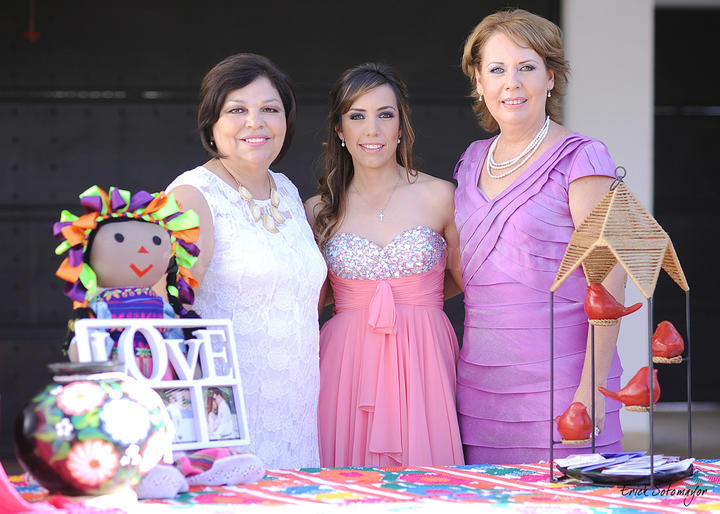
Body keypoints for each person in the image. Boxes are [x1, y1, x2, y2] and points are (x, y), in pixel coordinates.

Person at [453, 8, 626, 464]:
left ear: (550, 77)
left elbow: (610, 282)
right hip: (481, 394)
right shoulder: (470, 161)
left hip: (565, 391)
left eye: (526, 67)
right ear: (479, 82)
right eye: (496, 69)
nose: (511, 82)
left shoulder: (584, 158)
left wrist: (591, 390)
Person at [167, 53, 327, 469]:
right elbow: (166, 308)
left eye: (269, 109)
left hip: (295, 411)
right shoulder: (192, 195)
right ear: (212, 124)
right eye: (237, 109)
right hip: (227, 417)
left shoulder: (288, 192)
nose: (255, 122)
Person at [306, 63, 464, 467]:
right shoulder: (318, 211)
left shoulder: (442, 196)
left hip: (424, 355)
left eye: (385, 114)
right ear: (340, 131)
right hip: (345, 365)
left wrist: (415, 303)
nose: (372, 129)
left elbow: (466, 281)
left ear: (401, 125)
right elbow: (308, 301)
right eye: (357, 116)